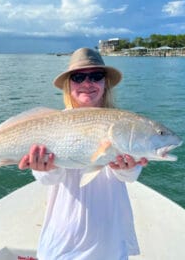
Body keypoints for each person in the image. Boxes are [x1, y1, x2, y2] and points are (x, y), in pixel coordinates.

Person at [19, 47, 148, 260]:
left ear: (105, 83)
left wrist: (128, 169)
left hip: (108, 242)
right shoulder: (51, 123)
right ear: (68, 86)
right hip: (63, 239)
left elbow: (129, 176)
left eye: (96, 76)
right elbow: (48, 180)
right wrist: (45, 169)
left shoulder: (124, 124)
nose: (87, 83)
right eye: (78, 77)